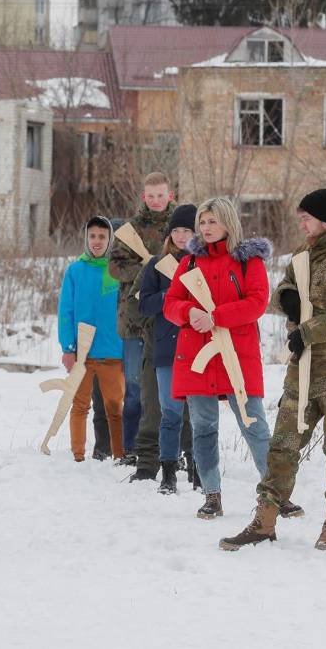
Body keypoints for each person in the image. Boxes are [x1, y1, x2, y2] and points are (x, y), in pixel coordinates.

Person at [220, 189, 326, 553]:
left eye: (306, 217)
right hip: (303, 371)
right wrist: (288, 298)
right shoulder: (302, 255)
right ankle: (264, 521)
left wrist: (308, 330)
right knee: (282, 445)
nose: (301, 222)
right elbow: (282, 290)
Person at [162, 197, 272, 521]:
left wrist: (216, 316)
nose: (206, 228)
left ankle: (276, 491)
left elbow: (257, 302)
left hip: (237, 356)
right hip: (197, 356)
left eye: (212, 221)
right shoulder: (190, 263)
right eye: (203, 222)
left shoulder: (248, 262)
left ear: (228, 222)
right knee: (203, 427)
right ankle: (212, 495)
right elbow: (170, 303)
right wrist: (188, 312)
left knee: (254, 425)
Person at [107, 173, 176, 465]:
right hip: (135, 318)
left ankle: (170, 449)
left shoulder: (183, 226)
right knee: (135, 389)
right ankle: (131, 448)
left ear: (170, 195)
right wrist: (147, 271)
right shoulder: (129, 230)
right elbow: (115, 268)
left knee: (169, 389)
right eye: (151, 196)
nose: (156, 200)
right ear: (143, 197)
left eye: (161, 195)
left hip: (170, 319)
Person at [136, 203, 196, 491]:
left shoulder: (203, 263)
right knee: (170, 413)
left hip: (198, 348)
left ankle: (198, 468)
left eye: (187, 230)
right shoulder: (157, 265)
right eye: (177, 230)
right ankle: (168, 473)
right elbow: (144, 303)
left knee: (198, 414)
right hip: (166, 348)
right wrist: (168, 295)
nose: (182, 236)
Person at [57, 216, 126, 462]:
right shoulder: (75, 270)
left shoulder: (116, 270)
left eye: (102, 237)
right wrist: (68, 348)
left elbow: (125, 309)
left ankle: (119, 455)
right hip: (81, 353)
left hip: (112, 350)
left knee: (115, 409)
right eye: (93, 236)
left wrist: (126, 345)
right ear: (86, 238)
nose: (97, 241)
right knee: (80, 406)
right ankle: (78, 456)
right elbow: (66, 312)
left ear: (110, 240)